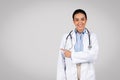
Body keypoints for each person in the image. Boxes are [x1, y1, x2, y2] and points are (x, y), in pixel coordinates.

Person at [57, 9, 99, 80]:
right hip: (70, 74)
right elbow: (61, 62)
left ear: (86, 20)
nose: (80, 22)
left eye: (82, 19)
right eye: (77, 20)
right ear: (73, 21)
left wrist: (71, 55)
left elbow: (93, 56)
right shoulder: (66, 37)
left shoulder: (92, 37)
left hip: (87, 74)